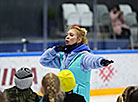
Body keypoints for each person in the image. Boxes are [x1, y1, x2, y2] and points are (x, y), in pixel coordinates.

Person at [39, 25, 114, 102]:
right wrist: (54, 50)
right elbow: (44, 61)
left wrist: (101, 61)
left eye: (71, 35)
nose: (67, 37)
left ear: (79, 40)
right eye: (67, 35)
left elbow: (92, 59)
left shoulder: (83, 56)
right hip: (63, 97)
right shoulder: (63, 57)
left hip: (80, 98)